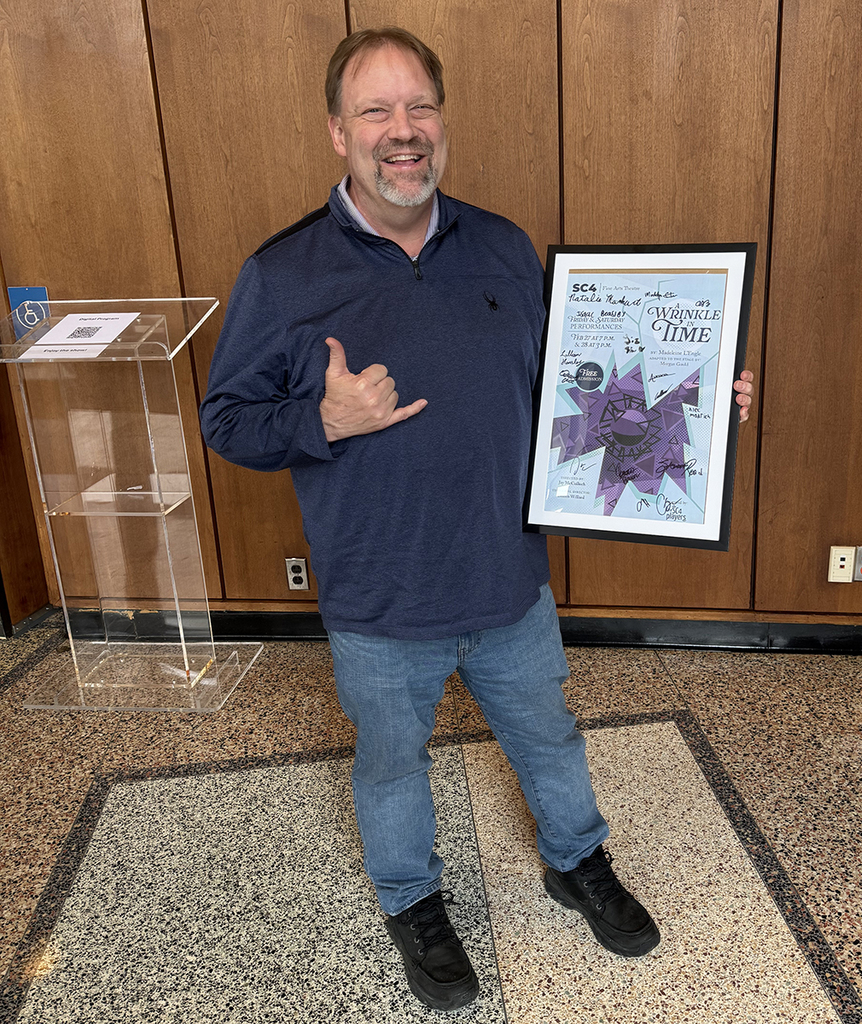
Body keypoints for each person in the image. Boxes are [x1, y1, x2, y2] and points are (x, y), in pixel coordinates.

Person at [201, 27, 756, 1011]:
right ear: (338, 132)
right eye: (375, 111)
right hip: (378, 596)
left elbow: (571, 405)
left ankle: (575, 859)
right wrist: (319, 418)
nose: (400, 131)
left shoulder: (501, 246)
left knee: (548, 732)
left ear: (440, 124)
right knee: (388, 762)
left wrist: (694, 401)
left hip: (508, 578)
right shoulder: (280, 275)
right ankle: (412, 899)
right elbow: (226, 421)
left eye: (418, 107)